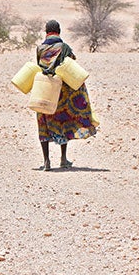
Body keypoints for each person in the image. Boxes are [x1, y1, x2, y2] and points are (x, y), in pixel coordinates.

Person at [35, 19, 98, 171]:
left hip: (45, 89)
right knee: (61, 120)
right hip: (61, 91)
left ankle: (46, 161)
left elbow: (40, 65)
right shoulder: (64, 47)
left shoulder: (40, 48)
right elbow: (71, 63)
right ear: (59, 31)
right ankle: (63, 159)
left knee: (44, 121)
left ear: (46, 32)